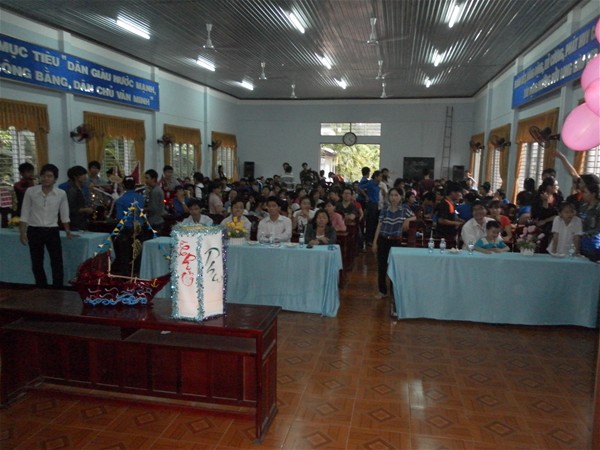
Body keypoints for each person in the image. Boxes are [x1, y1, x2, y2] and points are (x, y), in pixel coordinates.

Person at [19, 163, 73, 288]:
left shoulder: (61, 193)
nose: (46, 179)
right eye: (43, 176)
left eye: (49, 176)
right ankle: (41, 287)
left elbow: (64, 214)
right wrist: (22, 232)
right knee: (37, 262)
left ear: (55, 179)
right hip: (34, 230)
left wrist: (68, 231)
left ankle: (58, 288)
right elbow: (25, 213)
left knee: (57, 261)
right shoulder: (31, 191)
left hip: (52, 231)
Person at [372, 188, 415, 299]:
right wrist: (375, 242)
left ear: (401, 197)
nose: (393, 198)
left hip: (396, 241)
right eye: (391, 195)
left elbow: (414, 217)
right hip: (383, 239)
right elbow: (379, 225)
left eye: (396, 195)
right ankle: (382, 291)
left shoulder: (404, 209)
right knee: (382, 266)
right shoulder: (385, 209)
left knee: (394, 266)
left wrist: (407, 220)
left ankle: (393, 291)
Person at [113, 176, 146, 276]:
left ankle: (125, 274)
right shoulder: (140, 198)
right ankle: (139, 272)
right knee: (138, 251)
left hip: (126, 229)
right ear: (135, 185)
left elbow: (120, 218)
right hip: (139, 228)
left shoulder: (120, 200)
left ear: (123, 186)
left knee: (124, 253)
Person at [531, 176, 562, 252]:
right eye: (555, 185)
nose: (557, 187)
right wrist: (545, 202)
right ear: (548, 187)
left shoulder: (559, 197)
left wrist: (545, 221)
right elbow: (539, 214)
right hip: (541, 224)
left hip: (554, 222)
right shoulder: (538, 198)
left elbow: (559, 213)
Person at [434, 182, 464, 248]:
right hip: (443, 236)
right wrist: (456, 223)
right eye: (458, 192)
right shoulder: (444, 204)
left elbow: (450, 216)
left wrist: (458, 219)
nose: (459, 195)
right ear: (452, 192)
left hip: (450, 235)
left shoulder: (451, 203)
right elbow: (441, 220)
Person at [578, 174, 600, 262]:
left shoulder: (598, 208)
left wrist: (584, 233)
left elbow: (598, 229)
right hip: (580, 242)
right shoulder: (583, 206)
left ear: (593, 194)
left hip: (594, 243)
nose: (583, 195)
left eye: (585, 192)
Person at [66, 165, 94, 231]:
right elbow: (70, 209)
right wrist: (85, 209)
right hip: (75, 223)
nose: (85, 177)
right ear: (75, 177)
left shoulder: (81, 189)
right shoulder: (72, 191)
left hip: (82, 221)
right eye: (83, 175)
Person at [358, 168, 381, 246]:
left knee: (373, 222)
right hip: (371, 204)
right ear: (376, 177)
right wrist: (366, 196)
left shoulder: (378, 184)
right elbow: (360, 187)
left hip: (376, 204)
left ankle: (370, 238)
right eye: (380, 176)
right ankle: (368, 239)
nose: (381, 178)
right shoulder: (371, 183)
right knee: (370, 222)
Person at [144, 169, 166, 233]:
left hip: (155, 222)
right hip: (157, 221)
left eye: (147, 178)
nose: (145, 180)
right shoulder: (154, 189)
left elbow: (154, 208)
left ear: (153, 179)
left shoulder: (155, 191)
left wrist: (143, 209)